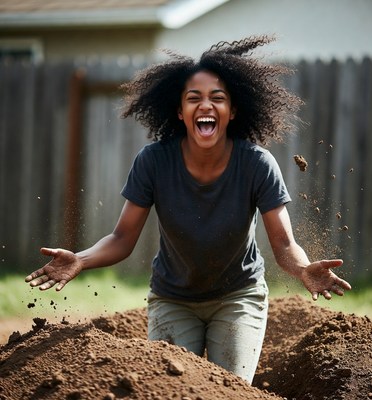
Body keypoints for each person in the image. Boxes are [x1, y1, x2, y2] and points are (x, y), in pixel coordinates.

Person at [25, 35, 351, 384]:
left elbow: (284, 245)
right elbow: (122, 237)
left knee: (231, 389)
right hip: (172, 299)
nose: (205, 105)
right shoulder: (153, 162)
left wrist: (303, 269)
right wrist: (81, 259)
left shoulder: (257, 164)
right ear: (180, 112)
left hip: (239, 297)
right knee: (171, 388)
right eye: (193, 98)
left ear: (233, 110)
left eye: (218, 98)